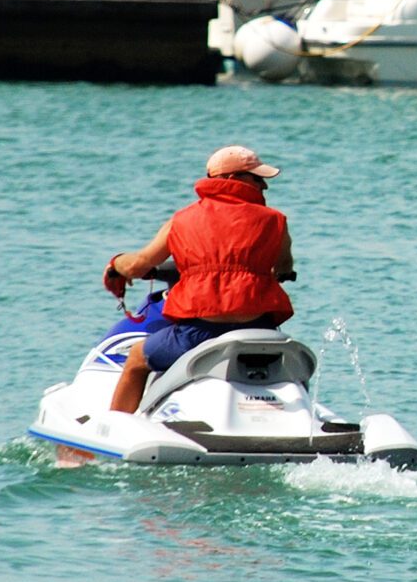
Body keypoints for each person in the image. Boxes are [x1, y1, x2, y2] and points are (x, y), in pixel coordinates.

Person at [102, 145, 297, 415]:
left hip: (198, 333)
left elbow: (137, 265)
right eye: (256, 177)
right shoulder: (275, 221)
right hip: (258, 331)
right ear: (231, 180)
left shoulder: (182, 220)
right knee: (289, 365)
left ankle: (115, 427)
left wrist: (116, 264)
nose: (264, 185)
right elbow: (284, 266)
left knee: (136, 359)